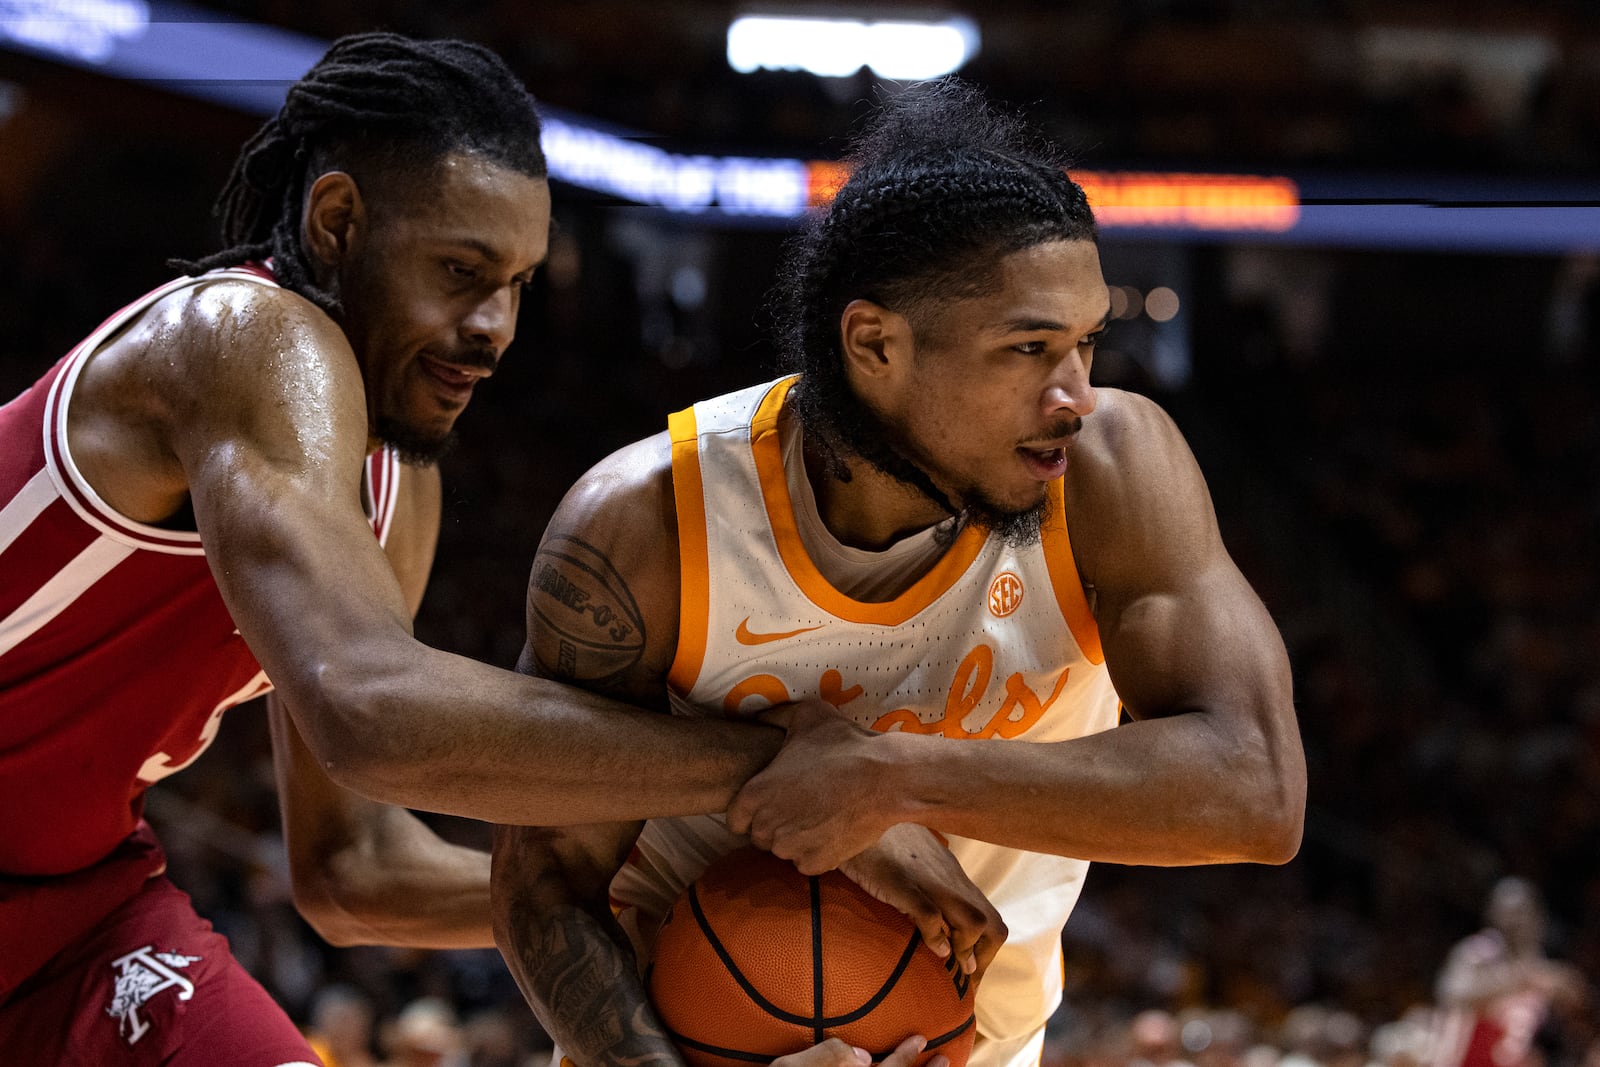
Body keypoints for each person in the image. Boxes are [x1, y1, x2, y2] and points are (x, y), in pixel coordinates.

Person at [1, 31, 959, 1067]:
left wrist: (686, 891)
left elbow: (355, 868)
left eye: (517, 283)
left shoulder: (397, 488)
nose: (495, 328)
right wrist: (777, 767)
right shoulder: (241, 334)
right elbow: (373, 711)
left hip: (74, 913)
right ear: (337, 223)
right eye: (461, 274)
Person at [491, 81, 1306, 1067]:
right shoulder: (648, 519)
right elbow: (544, 879)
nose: (1075, 395)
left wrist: (891, 781)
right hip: (683, 1040)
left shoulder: (1110, 469)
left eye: (1087, 343)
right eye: (1030, 347)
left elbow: (1255, 788)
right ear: (875, 342)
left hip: (972, 1042)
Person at [1429, 877, 1588, 1067]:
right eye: (1506, 913)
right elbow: (1450, 994)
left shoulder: (1544, 966)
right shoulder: (1477, 953)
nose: (1513, 922)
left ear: (1538, 915)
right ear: (1492, 915)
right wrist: (1519, 981)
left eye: (1521, 912)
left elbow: (1577, 1008)